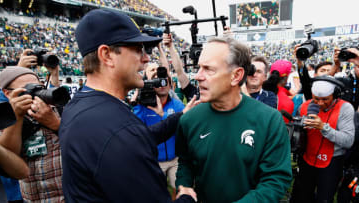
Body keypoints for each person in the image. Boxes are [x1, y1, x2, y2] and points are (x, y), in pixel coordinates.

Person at [59, 9, 197, 202]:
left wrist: (182, 114)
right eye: (137, 49)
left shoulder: (80, 104)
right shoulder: (118, 129)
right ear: (106, 55)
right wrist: (186, 197)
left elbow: (138, 138)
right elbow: (125, 138)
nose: (146, 58)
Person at [175, 37, 292, 202]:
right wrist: (184, 186)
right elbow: (185, 162)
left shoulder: (269, 120)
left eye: (208, 69)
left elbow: (275, 180)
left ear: (236, 76)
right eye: (199, 68)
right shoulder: (189, 120)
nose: (197, 76)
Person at [0, 66, 64, 202]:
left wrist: (56, 124)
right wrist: (16, 117)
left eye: (38, 87)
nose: (35, 93)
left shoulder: (60, 110)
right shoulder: (4, 121)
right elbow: (9, 164)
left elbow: (84, 146)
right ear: (7, 93)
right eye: (28, 89)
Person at [290, 76, 355, 203]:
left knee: (324, 199)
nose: (320, 103)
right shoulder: (304, 106)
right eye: (316, 99)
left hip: (331, 162)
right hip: (307, 160)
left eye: (325, 99)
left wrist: (324, 128)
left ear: (335, 95)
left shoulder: (345, 108)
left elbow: (348, 141)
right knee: (301, 197)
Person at [133, 65, 185, 198]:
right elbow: (137, 129)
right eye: (157, 81)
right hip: (155, 160)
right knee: (155, 193)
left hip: (175, 159)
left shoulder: (177, 105)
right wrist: (137, 101)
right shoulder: (144, 106)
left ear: (170, 85)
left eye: (165, 81)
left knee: (178, 188)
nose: (162, 85)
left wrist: (164, 115)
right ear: (152, 85)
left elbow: (184, 126)